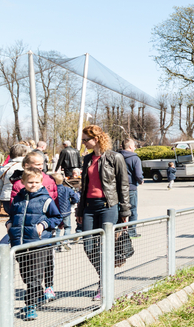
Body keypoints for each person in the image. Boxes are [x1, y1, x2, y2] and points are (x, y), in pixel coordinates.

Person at [75, 124, 132, 302]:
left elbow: (123, 185)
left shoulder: (115, 157)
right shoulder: (87, 159)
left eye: (86, 139)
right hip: (89, 207)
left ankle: (103, 284)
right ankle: (105, 277)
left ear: (96, 139)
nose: (84, 143)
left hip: (109, 206)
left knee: (106, 245)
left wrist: (125, 210)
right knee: (89, 246)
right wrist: (80, 209)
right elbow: (83, 188)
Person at [5, 167, 63, 320]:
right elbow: (13, 216)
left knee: (34, 277)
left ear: (41, 182)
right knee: (25, 275)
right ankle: (38, 295)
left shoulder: (46, 199)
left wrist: (43, 224)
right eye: (30, 182)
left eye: (37, 182)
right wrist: (9, 224)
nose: (33, 185)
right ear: (23, 182)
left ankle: (30, 306)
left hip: (39, 244)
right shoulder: (18, 198)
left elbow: (57, 218)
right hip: (19, 244)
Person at [0, 143, 30, 215]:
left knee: (13, 218)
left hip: (6, 198)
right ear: (24, 155)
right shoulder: (27, 167)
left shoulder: (4, 168)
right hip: (22, 197)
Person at [120, 139, 144, 235]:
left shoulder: (117, 157)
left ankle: (119, 231)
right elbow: (138, 174)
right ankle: (131, 232)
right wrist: (140, 180)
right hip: (131, 187)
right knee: (133, 210)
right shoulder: (135, 158)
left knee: (119, 209)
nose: (135, 147)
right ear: (130, 147)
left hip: (119, 188)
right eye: (134, 146)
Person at [52, 171, 79, 251]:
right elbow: (75, 198)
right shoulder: (67, 189)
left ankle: (56, 245)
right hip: (66, 211)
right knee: (67, 227)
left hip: (56, 211)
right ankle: (66, 241)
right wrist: (72, 203)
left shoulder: (53, 190)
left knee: (57, 229)